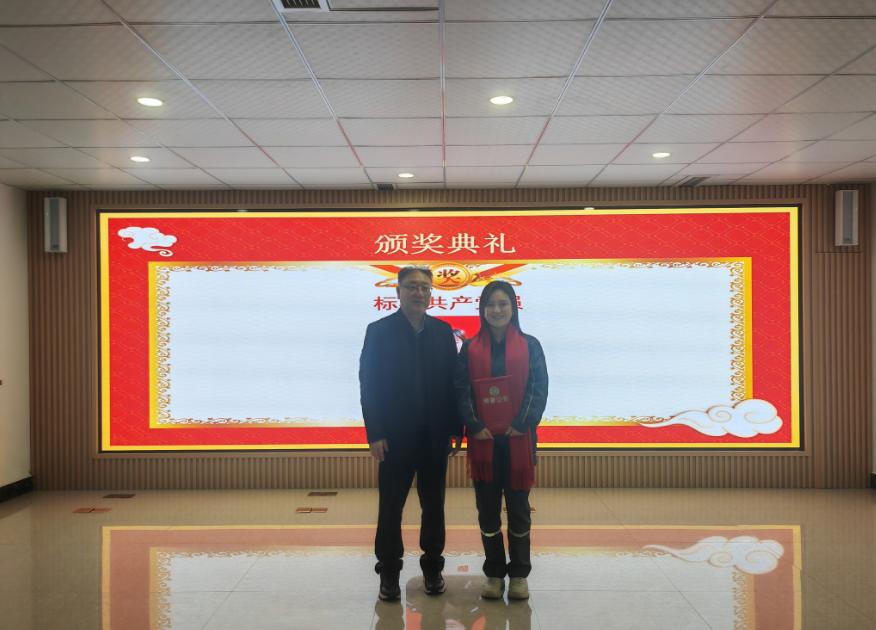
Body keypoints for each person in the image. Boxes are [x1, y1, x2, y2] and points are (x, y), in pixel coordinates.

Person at [359, 266, 463, 601]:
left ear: (431, 292)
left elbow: (453, 383)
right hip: (394, 438)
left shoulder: (443, 332)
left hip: (434, 437)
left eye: (424, 287)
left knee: (434, 506)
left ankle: (432, 568)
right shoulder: (379, 331)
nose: (419, 292)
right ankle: (389, 573)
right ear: (398, 291)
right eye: (412, 286)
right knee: (390, 507)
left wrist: (456, 428)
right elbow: (369, 384)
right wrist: (375, 432)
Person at [455, 280, 548, 601]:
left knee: (519, 510)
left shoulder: (530, 345)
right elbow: (462, 390)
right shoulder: (470, 348)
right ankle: (494, 573)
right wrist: (475, 424)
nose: (496, 310)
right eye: (490, 304)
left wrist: (522, 423)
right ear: (482, 310)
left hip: (519, 442)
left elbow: (539, 388)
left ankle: (519, 574)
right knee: (488, 511)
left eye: (503, 304)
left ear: (513, 307)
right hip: (484, 443)